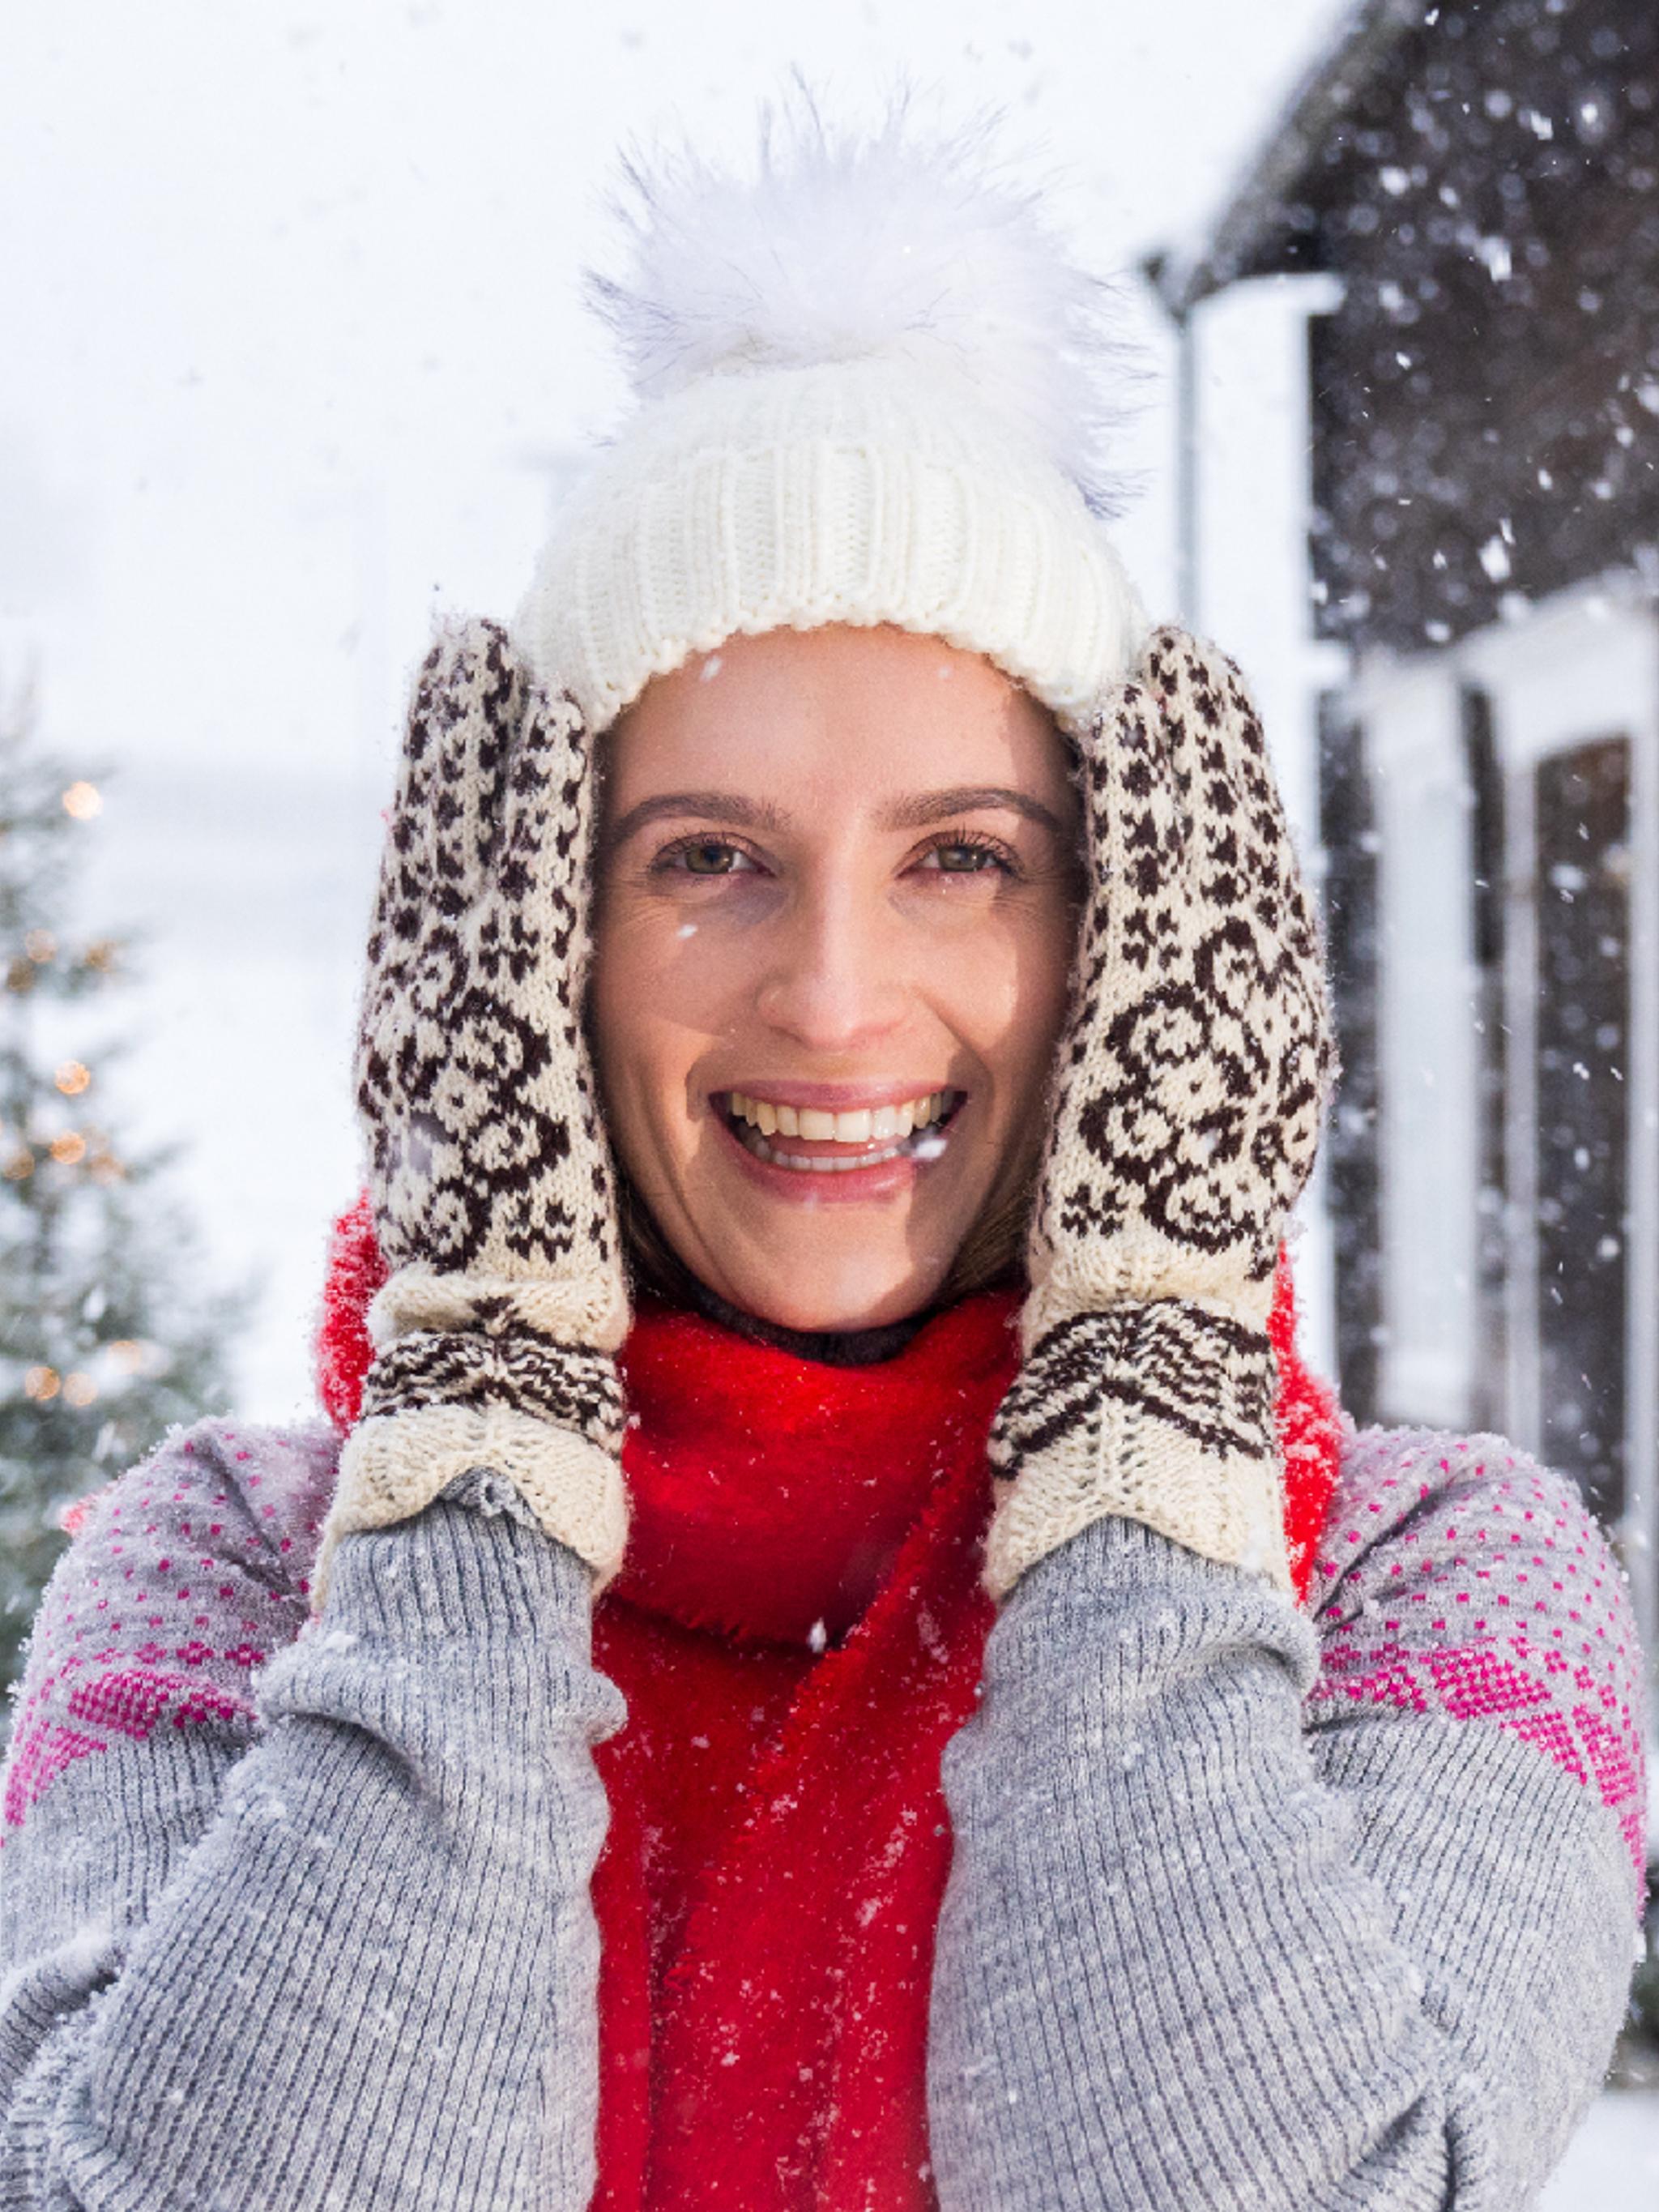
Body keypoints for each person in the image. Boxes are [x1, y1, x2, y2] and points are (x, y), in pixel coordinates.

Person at [0, 100, 1647, 2212]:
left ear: (1134, 929)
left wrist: (1149, 1371)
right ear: (530, 936)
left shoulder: (1429, 1585)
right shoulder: (236, 1580)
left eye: (965, 858)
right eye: (710, 861)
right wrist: (490, 1406)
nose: (839, 996)